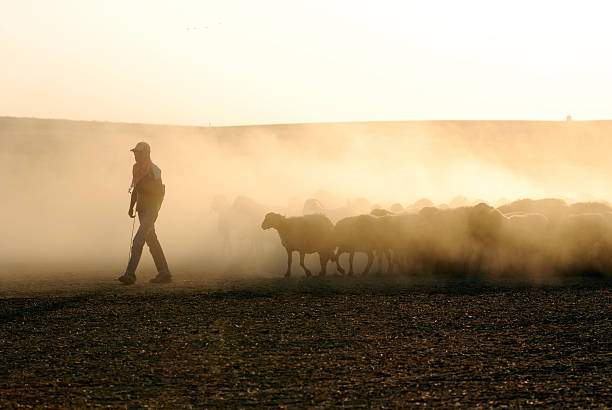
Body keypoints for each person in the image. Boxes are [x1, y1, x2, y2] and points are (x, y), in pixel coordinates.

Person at [118, 142, 172, 284]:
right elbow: (136, 188)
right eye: (135, 152)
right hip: (142, 210)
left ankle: (130, 274)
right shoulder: (136, 169)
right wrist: (131, 207)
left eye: (138, 152)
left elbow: (159, 192)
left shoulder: (154, 170)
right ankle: (164, 272)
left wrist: (144, 189)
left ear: (146, 153)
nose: (135, 155)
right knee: (152, 241)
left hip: (151, 210)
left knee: (138, 240)